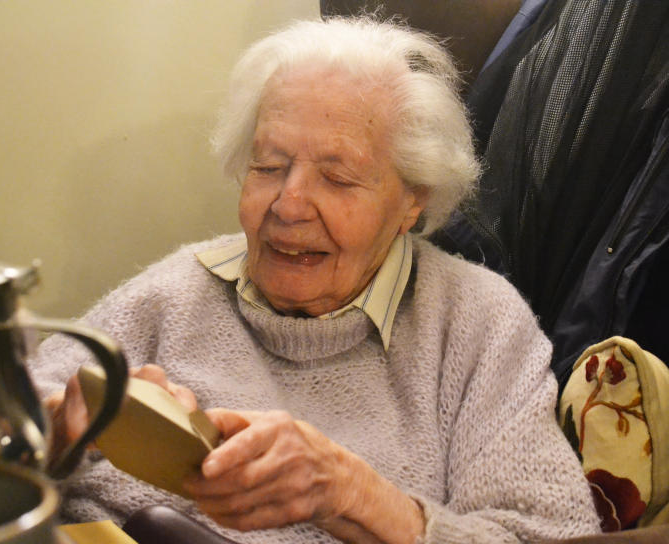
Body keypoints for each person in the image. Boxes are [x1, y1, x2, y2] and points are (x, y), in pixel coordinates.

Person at [30, 16, 601, 544]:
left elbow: (550, 534)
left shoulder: (477, 325)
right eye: (268, 166)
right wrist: (55, 431)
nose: (289, 203)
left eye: (338, 177)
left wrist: (350, 492)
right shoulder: (175, 291)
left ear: (412, 201)